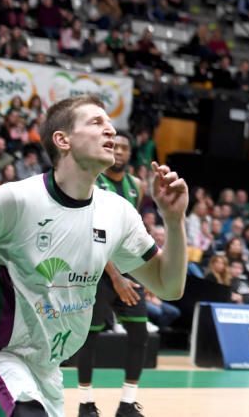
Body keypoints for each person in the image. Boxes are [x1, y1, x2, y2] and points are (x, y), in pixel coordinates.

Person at [0, 96, 188, 417]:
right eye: (96, 122)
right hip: (1, 356)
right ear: (63, 140)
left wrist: (175, 221)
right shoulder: (15, 201)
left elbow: (169, 287)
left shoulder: (117, 213)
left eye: (109, 123)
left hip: (48, 368)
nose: (110, 130)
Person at [76, 130, 152, 417]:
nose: (119, 151)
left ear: (130, 154)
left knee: (139, 334)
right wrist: (116, 276)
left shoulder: (137, 186)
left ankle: (127, 404)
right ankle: (85, 403)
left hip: (129, 270)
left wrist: (148, 274)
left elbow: (136, 235)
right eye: (114, 146)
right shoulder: (94, 184)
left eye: (124, 148)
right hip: (96, 271)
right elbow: (94, 234)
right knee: (90, 338)